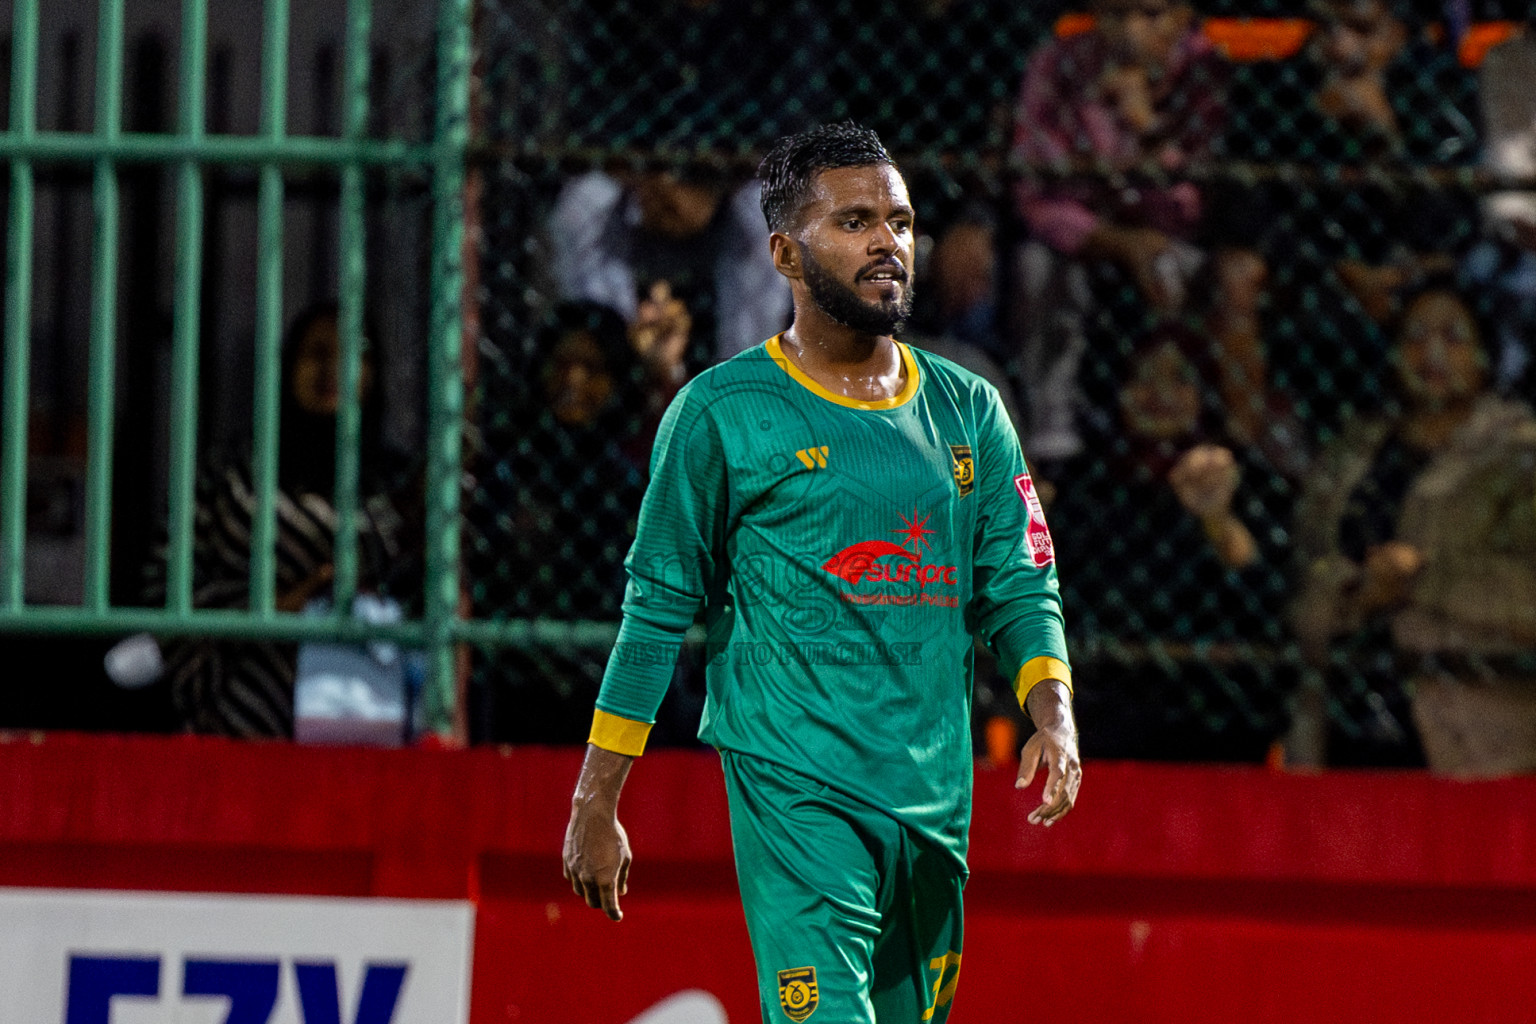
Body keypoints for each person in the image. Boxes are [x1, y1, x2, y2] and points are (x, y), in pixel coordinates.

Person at [562, 123, 1080, 1023]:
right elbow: (653, 618)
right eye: (855, 221)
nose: (888, 242)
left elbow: (1020, 582)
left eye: (902, 221)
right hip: (796, 790)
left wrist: (1053, 709)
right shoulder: (719, 415)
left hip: (932, 803)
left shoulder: (971, 411)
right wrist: (596, 799)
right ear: (785, 256)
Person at [1288, 279, 1536, 772]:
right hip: (1342, 717)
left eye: (1454, 337)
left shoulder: (1520, 454)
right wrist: (1358, 593)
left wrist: (1421, 580)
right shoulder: (1352, 453)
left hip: (1477, 730)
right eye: (1415, 337)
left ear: (1486, 357)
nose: (1433, 353)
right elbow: (1301, 574)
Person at [144, 305, 417, 738]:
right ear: (288, 365)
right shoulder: (232, 474)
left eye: (353, 354)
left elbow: (425, 603)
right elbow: (168, 588)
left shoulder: (398, 485)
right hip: (239, 724)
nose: (333, 368)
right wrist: (282, 606)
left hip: (366, 724)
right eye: (317, 352)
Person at [1007, 0, 1257, 464]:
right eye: (1115, 14)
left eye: (1149, 14)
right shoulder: (1059, 63)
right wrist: (1115, 240)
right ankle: (1053, 437)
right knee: (1036, 267)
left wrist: (1143, 124)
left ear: (1183, 15)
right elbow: (1036, 193)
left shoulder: (1204, 69)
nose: (1128, 31)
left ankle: (1186, 436)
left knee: (1173, 272)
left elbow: (1193, 204)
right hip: (1082, 238)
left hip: (1171, 239)